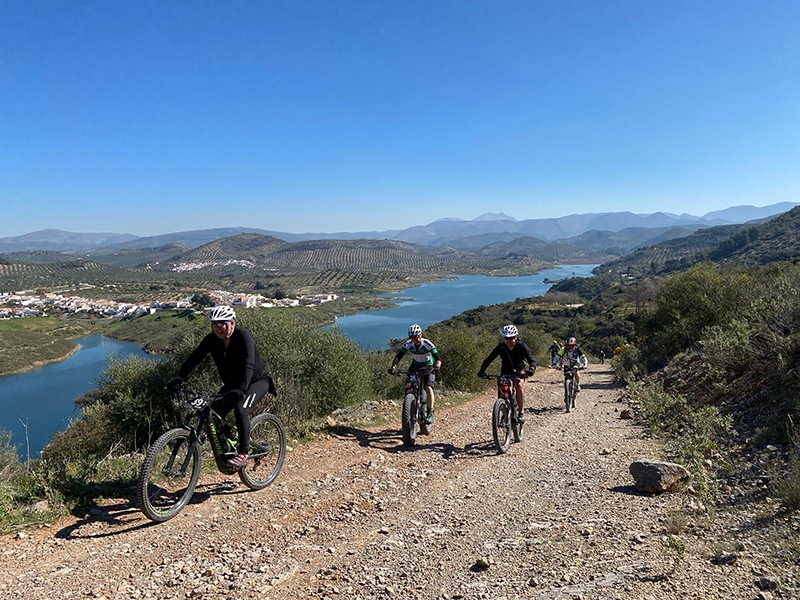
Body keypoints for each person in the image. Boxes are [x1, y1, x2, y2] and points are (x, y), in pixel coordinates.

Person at [167, 306, 276, 470]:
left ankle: (243, 453)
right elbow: (195, 358)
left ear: (232, 323)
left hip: (257, 381)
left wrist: (241, 389)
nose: (218, 328)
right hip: (233, 384)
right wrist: (178, 378)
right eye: (214, 324)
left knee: (241, 409)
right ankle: (229, 444)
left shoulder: (243, 336)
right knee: (214, 411)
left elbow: (248, 364)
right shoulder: (212, 339)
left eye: (222, 323)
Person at [477, 325, 537, 422]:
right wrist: (482, 369)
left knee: (518, 384)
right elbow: (490, 358)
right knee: (502, 389)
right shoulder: (501, 347)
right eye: (506, 338)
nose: (508, 341)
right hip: (505, 370)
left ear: (516, 337)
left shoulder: (521, 346)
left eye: (511, 338)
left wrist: (531, 369)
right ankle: (504, 412)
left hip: (519, 370)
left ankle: (521, 412)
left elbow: (532, 360)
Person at [388, 324, 442, 424]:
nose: (414, 339)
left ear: (420, 335)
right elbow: (399, 356)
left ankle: (430, 413)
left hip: (428, 366)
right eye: (412, 337)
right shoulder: (408, 344)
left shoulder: (427, 343)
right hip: (415, 366)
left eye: (416, 337)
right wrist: (393, 367)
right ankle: (409, 407)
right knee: (409, 386)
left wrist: (437, 366)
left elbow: (438, 358)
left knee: (428, 387)